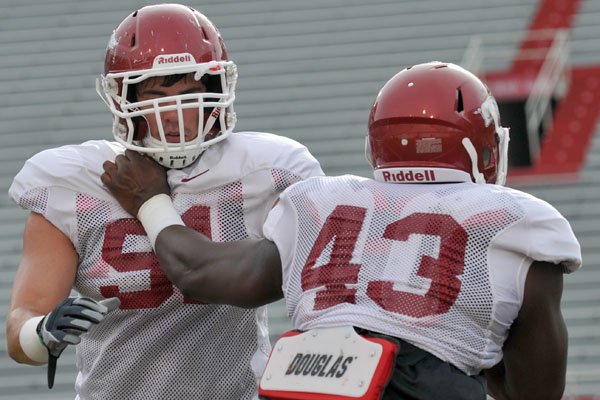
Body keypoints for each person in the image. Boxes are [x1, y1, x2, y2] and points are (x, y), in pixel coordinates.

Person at [102, 61, 582, 400]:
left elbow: (200, 269)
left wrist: (150, 201)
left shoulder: (326, 200)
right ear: (482, 150)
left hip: (309, 380)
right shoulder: (513, 222)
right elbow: (533, 392)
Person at [6, 3, 323, 400]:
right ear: (124, 101)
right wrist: (41, 333)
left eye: (189, 96)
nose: (174, 116)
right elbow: (20, 328)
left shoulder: (267, 172)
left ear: (216, 93)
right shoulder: (76, 181)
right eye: (157, 98)